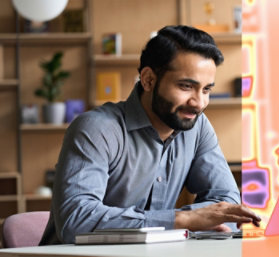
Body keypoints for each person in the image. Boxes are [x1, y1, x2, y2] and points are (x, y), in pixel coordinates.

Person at [40, 25, 260, 244]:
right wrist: (183, 219)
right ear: (148, 80)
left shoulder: (198, 126)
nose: (199, 103)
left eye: (206, 90)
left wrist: (191, 220)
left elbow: (227, 204)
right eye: (185, 86)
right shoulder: (96, 129)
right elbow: (76, 221)